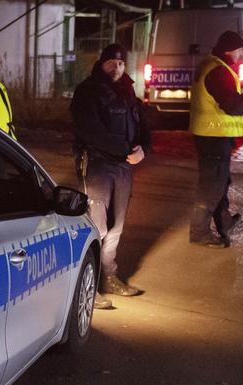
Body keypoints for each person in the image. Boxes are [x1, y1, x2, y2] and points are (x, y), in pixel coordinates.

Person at [71, 43, 150, 309]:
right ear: (101, 63)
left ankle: (109, 277)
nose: (116, 68)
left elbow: (143, 125)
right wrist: (125, 149)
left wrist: (144, 150)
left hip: (124, 168)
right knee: (95, 227)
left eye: (120, 64)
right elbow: (91, 131)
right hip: (97, 166)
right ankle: (86, 286)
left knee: (116, 227)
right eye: (111, 63)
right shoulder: (87, 91)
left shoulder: (128, 91)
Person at [188, 30, 243, 248]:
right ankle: (199, 233)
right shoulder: (218, 70)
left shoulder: (211, 65)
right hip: (213, 135)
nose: (239, 55)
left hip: (213, 135)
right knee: (211, 186)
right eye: (239, 51)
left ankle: (224, 222)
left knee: (220, 181)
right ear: (231, 50)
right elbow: (231, 103)